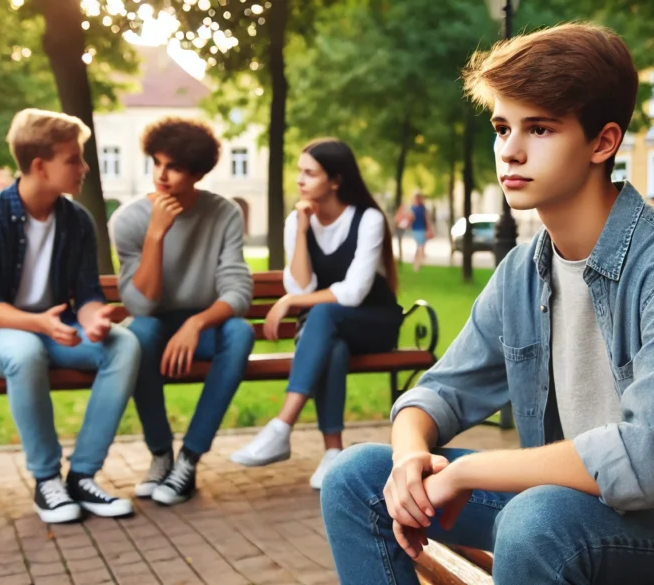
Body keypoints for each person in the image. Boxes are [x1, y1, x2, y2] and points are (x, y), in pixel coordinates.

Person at [320, 23, 654, 585]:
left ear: (602, 142)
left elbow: (648, 463)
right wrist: (410, 453)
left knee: (537, 518)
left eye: (538, 129)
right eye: (501, 127)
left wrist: (469, 474)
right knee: (357, 479)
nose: (509, 150)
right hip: (566, 516)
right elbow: (442, 389)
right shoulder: (523, 270)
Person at [0, 109, 140, 524]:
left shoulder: (77, 220)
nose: (84, 167)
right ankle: (46, 479)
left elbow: (88, 292)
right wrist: (40, 324)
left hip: (55, 330)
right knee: (26, 350)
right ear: (39, 165)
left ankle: (82, 476)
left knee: (123, 344)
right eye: (73, 159)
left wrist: (91, 320)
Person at [229, 138, 403, 490]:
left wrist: (291, 303)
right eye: (299, 172)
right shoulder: (298, 220)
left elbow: (353, 293)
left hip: (374, 323)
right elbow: (301, 285)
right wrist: (303, 231)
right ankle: (332, 454)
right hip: (331, 329)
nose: (300, 180)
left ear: (335, 180)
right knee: (332, 345)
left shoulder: (367, 219)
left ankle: (282, 426)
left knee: (324, 316)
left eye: (310, 173)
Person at [110, 116, 255, 506]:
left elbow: (238, 291)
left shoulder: (224, 213)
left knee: (241, 332)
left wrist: (196, 322)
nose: (161, 174)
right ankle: (160, 455)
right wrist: (157, 233)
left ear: (197, 172)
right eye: (157, 163)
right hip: (154, 324)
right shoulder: (129, 220)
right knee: (137, 334)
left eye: (173, 166)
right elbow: (140, 305)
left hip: (202, 328)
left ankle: (188, 461)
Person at [396, 193, 433, 272]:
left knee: (419, 247)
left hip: (421, 229)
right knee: (420, 247)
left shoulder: (420, 208)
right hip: (418, 229)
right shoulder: (416, 208)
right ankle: (417, 265)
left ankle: (416, 264)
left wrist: (428, 229)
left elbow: (426, 220)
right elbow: (412, 218)